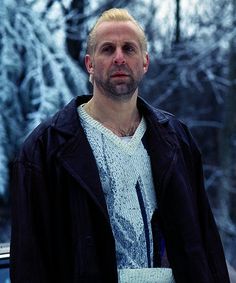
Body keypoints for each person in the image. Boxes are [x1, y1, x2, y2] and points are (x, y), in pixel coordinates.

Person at [10, 8, 230, 283]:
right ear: (90, 64)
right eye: (107, 49)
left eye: (129, 48)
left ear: (145, 62)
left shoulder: (176, 139)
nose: (119, 58)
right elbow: (31, 262)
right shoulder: (44, 149)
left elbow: (206, 242)